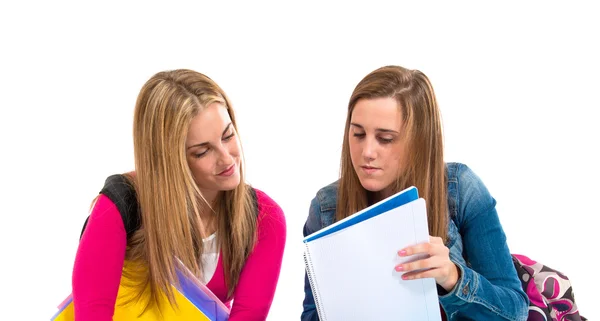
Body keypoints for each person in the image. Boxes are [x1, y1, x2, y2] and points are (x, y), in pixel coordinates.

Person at [301, 65, 528, 320]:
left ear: (419, 140)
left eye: (385, 138)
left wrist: (452, 277)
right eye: (358, 134)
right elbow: (311, 313)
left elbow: (516, 311)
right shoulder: (325, 207)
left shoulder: (461, 189)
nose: (367, 152)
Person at [72, 69, 286, 321]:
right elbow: (91, 313)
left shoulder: (264, 218)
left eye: (228, 135)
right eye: (202, 151)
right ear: (169, 162)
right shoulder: (119, 207)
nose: (227, 159)